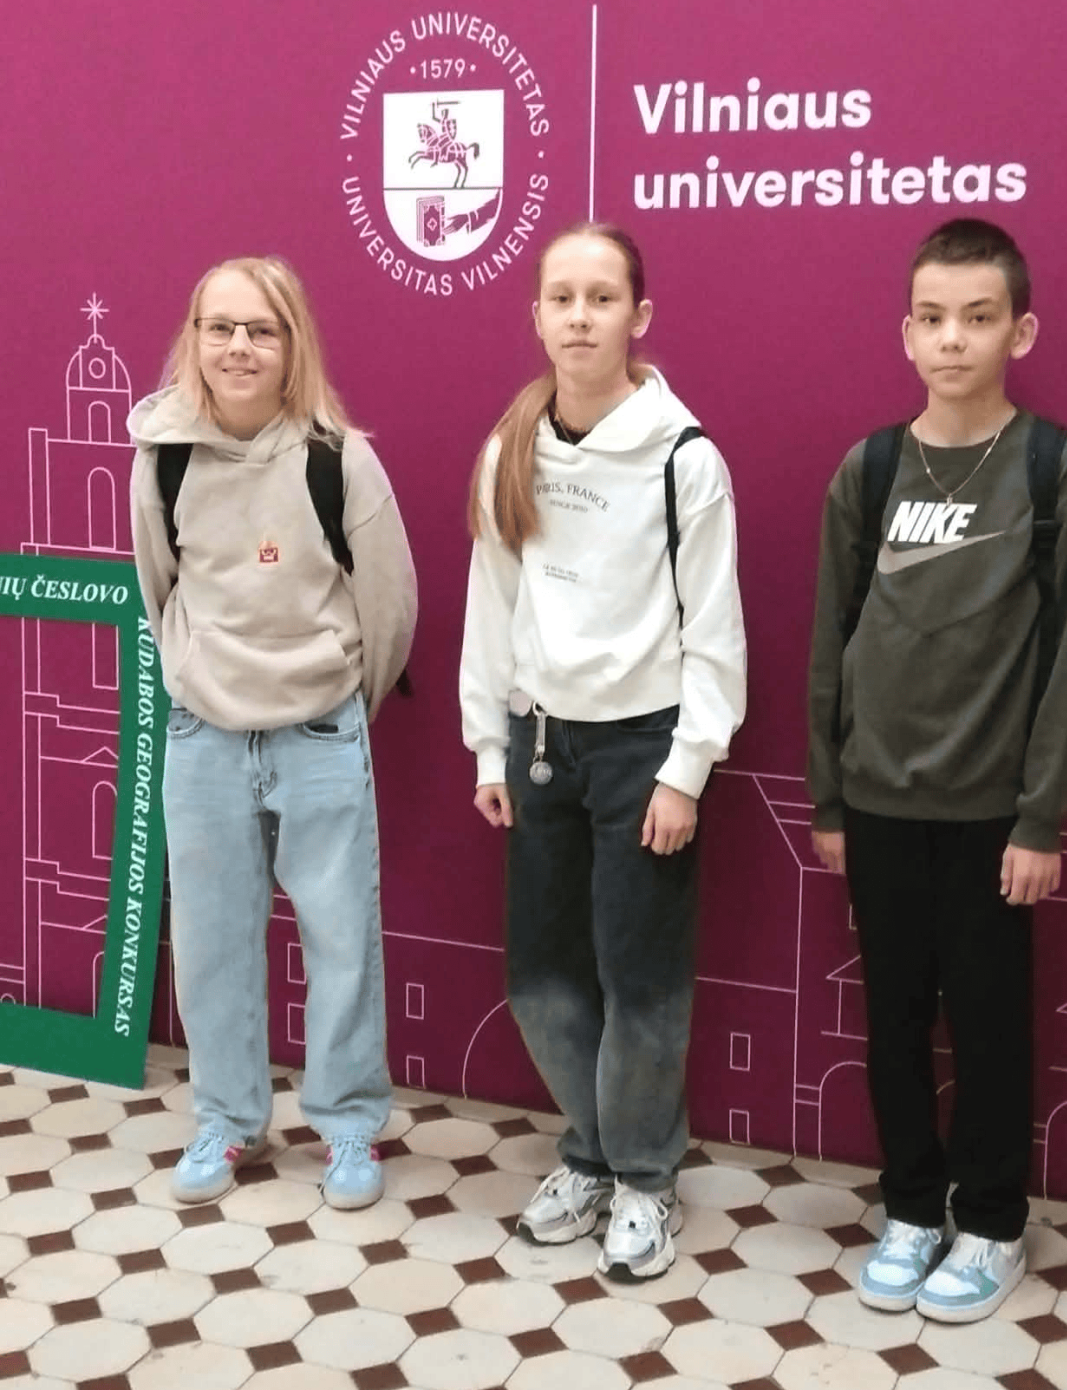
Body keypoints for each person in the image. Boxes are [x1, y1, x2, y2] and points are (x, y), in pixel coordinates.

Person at [807, 218, 1067, 1324]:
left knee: (986, 1024)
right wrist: (830, 795)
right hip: (878, 802)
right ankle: (912, 1210)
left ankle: (990, 1224)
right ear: (906, 333)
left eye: (978, 318)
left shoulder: (1055, 468)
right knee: (892, 1019)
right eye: (932, 318)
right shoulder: (871, 468)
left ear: (1020, 330)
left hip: (992, 815)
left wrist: (1041, 818)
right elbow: (832, 641)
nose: (953, 339)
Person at [460, 221, 746, 1282]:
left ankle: (643, 1178)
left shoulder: (684, 458)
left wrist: (685, 770)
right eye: (562, 298)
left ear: (638, 316)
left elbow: (715, 631)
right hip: (538, 746)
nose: (580, 317)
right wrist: (486, 747)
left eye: (602, 298)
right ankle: (587, 1153)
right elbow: (492, 606)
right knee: (543, 977)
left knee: (641, 980)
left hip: (644, 754)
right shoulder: (511, 450)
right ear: (536, 316)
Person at [129, 256, 417, 1209]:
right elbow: (160, 589)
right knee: (210, 941)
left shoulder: (340, 460)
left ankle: (347, 1125)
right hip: (204, 736)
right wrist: (203, 676)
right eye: (220, 327)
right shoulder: (163, 457)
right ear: (194, 340)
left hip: (318, 734)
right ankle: (227, 1119)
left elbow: (389, 609)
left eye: (262, 329)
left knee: (341, 940)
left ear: (293, 344)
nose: (239, 347)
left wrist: (335, 705)